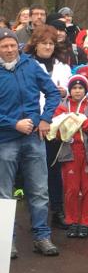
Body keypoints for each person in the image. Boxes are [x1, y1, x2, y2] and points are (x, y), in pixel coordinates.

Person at [0, 27, 61, 258]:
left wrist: (44, 119)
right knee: (4, 193)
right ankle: (7, 241)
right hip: (5, 140)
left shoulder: (31, 65)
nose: (9, 50)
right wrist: (13, 123)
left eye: (12, 45)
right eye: (4, 46)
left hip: (34, 138)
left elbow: (53, 93)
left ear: (18, 46)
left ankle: (42, 237)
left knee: (39, 190)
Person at [26, 26, 72, 229]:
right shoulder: (27, 65)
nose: (47, 47)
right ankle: (37, 215)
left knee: (54, 169)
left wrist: (65, 92)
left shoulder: (63, 66)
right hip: (33, 123)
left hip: (57, 123)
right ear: (35, 44)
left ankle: (57, 210)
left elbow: (74, 91)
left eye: (51, 43)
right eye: (43, 43)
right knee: (34, 172)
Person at [52, 74, 88, 238]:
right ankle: (72, 221)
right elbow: (56, 131)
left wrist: (80, 121)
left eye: (81, 88)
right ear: (69, 90)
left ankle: (85, 223)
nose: (77, 91)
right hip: (69, 152)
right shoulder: (62, 107)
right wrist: (66, 127)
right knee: (71, 189)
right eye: (74, 88)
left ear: (86, 90)